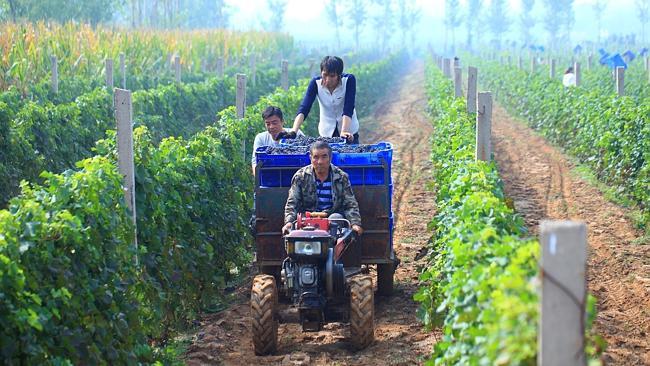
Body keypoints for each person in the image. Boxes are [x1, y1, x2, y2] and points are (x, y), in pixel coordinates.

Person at [282, 141, 363, 235]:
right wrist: (288, 222)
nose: (320, 162)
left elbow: (350, 203)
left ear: (330, 158)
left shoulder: (341, 177)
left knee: (336, 219)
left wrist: (355, 223)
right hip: (308, 219)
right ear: (310, 158)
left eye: (324, 157)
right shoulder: (301, 176)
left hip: (332, 219)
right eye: (316, 157)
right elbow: (292, 203)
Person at [290, 56, 360, 144]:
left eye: (332, 76)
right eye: (325, 75)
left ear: (339, 75)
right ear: (321, 72)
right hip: (326, 133)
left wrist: (344, 131)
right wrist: (294, 131)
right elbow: (304, 108)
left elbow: (348, 108)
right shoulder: (315, 83)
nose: (327, 79)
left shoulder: (348, 80)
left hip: (348, 132)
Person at [251, 106, 304, 174]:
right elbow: (255, 161)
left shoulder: (296, 133)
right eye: (268, 124)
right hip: (270, 177)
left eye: (274, 123)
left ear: (282, 121)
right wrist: (258, 180)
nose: (271, 127)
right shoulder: (261, 138)